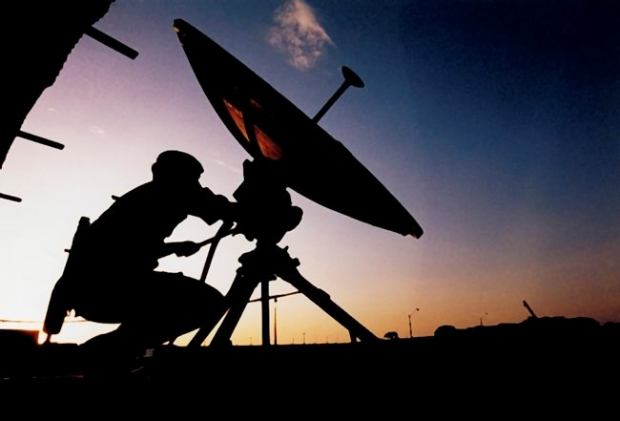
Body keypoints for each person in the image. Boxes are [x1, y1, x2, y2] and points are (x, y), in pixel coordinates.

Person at [48, 150, 236, 370]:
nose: (196, 185)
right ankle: (100, 353)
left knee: (198, 303)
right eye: (192, 179)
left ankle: (109, 353)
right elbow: (209, 205)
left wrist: (175, 247)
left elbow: (131, 247)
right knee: (208, 303)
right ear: (174, 176)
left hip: (99, 288)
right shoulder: (163, 194)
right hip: (107, 289)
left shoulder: (147, 197)